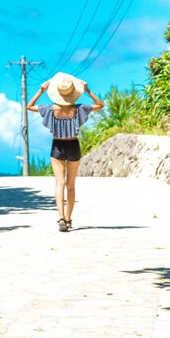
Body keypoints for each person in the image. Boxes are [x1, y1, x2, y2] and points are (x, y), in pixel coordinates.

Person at [26, 72, 104, 232]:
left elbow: (29, 106)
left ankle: (61, 218)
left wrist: (41, 91)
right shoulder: (79, 109)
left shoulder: (50, 109)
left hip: (57, 146)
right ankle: (68, 220)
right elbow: (100, 105)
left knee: (59, 184)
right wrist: (87, 90)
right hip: (73, 145)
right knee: (71, 185)